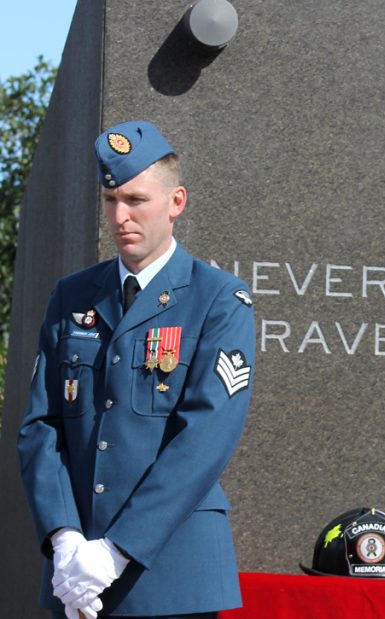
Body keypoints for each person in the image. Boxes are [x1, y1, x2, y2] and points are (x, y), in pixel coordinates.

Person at [17, 121, 256, 618]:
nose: (121, 216)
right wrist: (64, 539)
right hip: (76, 576)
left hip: (173, 577)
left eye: (136, 200)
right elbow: (41, 426)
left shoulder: (218, 299)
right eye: (111, 200)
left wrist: (116, 549)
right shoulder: (73, 296)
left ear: (176, 202)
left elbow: (204, 440)